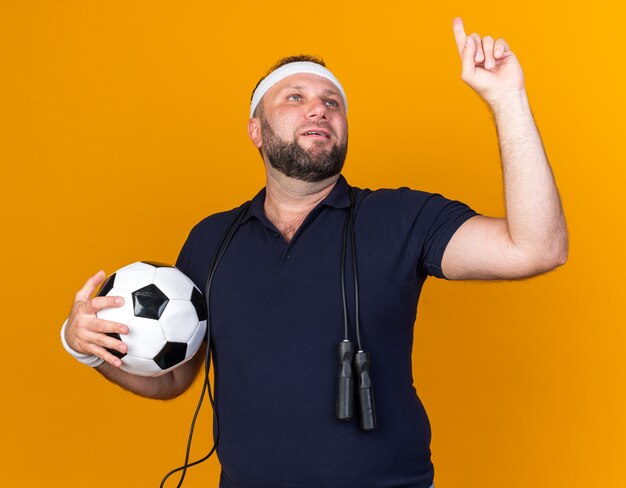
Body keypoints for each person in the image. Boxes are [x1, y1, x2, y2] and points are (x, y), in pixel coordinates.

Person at [61, 17, 568, 488]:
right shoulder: (210, 239)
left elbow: (536, 248)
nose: (318, 109)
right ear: (256, 130)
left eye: (332, 102)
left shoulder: (402, 218)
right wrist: (89, 347)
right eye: (295, 97)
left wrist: (507, 99)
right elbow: (172, 379)